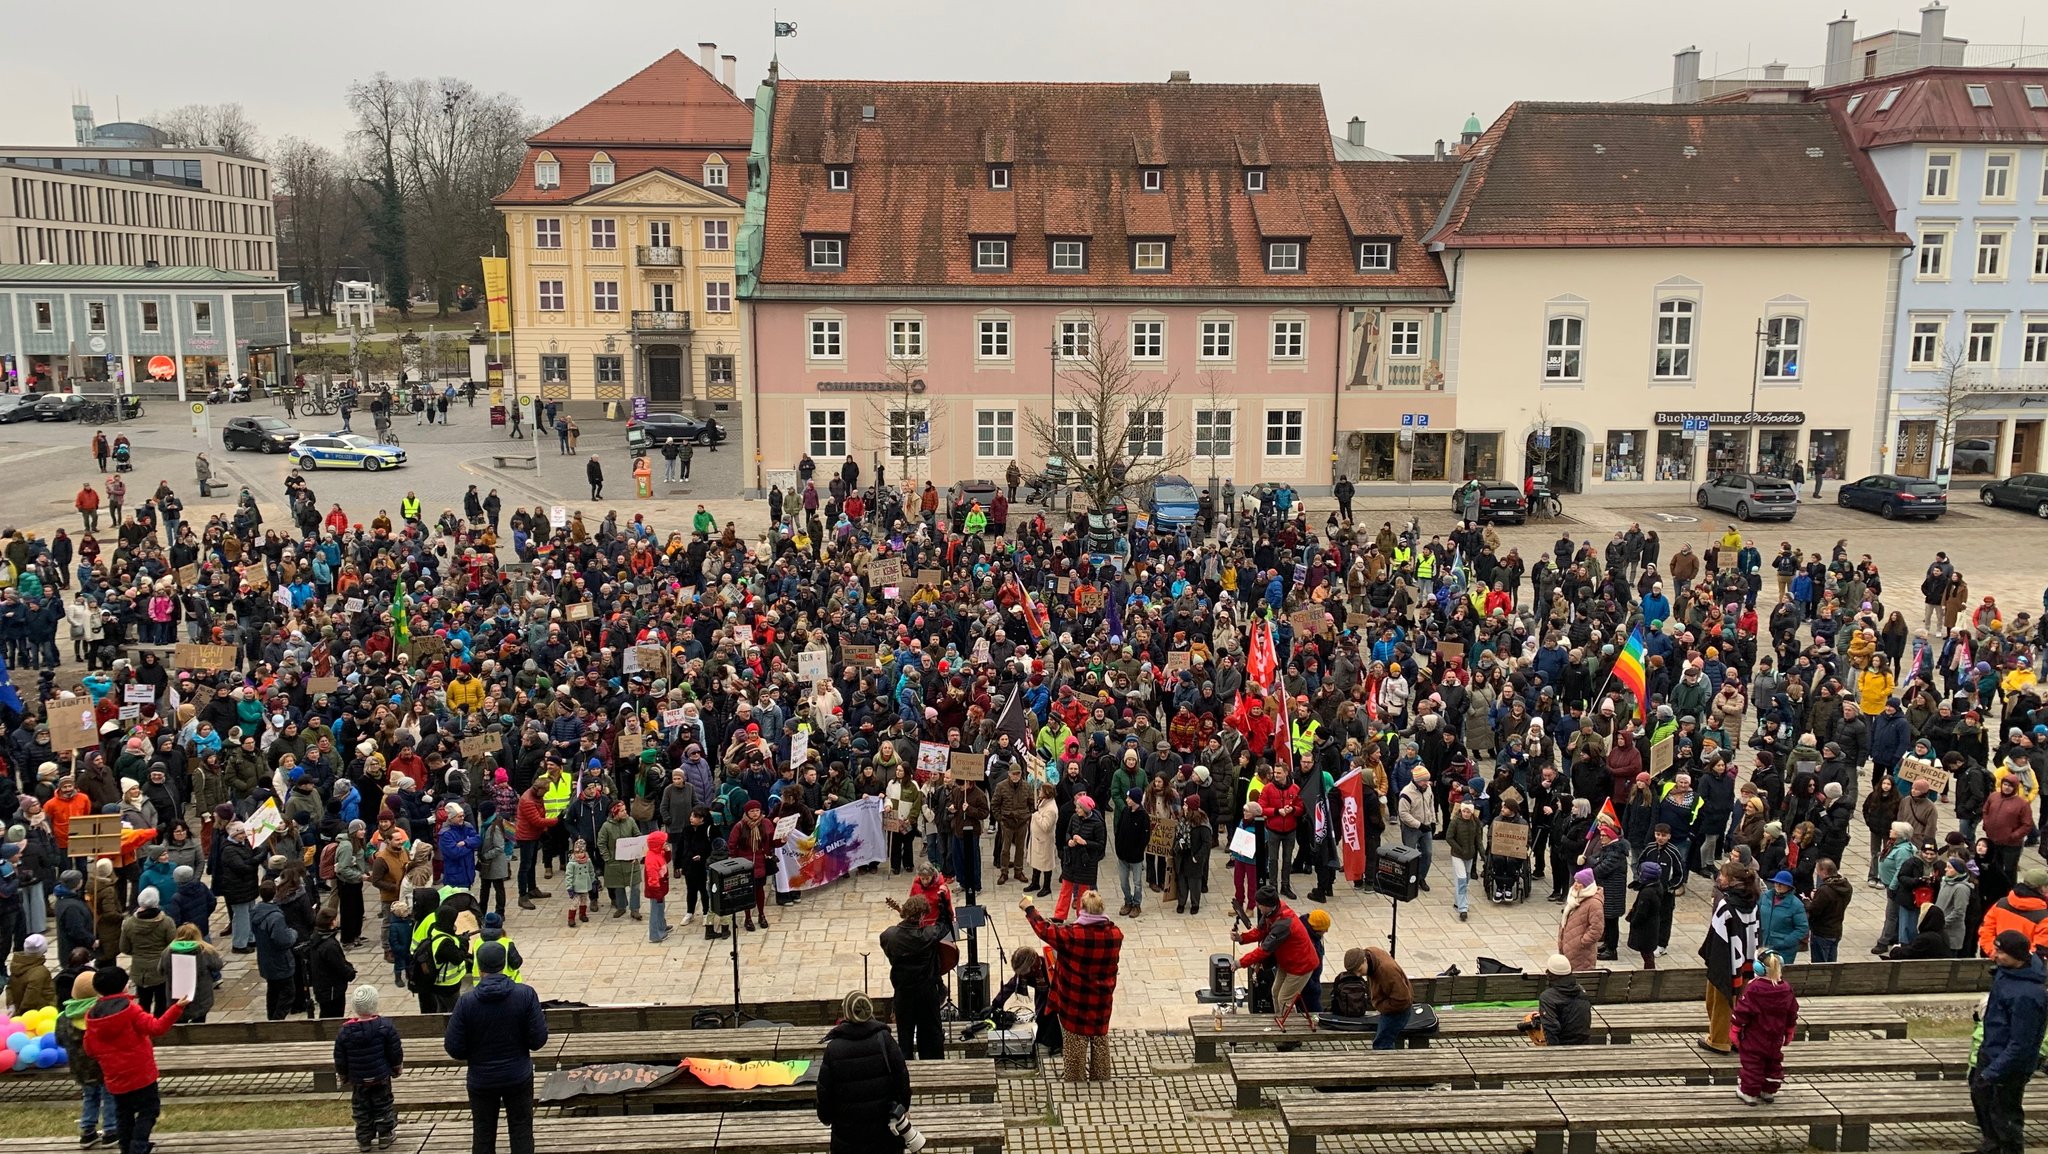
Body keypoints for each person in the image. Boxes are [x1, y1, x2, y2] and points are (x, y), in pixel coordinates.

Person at [444, 941, 549, 1154]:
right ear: (503, 964)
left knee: (483, 1133)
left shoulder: (467, 1002)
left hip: (482, 1078)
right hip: (517, 1075)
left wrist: (475, 1054)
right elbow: (538, 1040)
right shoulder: (525, 995)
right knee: (521, 1130)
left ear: (479, 966)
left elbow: (453, 1047)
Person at [80, 965, 186, 1154]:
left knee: (124, 1114)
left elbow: (89, 1048)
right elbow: (157, 1028)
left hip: (114, 1077)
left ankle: (125, 1147)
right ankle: (138, 1146)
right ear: (124, 987)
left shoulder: (92, 1015)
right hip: (141, 1074)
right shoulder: (130, 1010)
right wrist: (177, 1008)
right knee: (149, 1110)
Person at [1021, 889, 1122, 1082]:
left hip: (1075, 999)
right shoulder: (1115, 935)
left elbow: (1044, 930)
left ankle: (1075, 1084)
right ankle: (1101, 1080)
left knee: (1075, 1042)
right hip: (1101, 998)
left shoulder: (1072, 935)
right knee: (1100, 1041)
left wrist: (1029, 909)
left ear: (1081, 909)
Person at [1973, 929, 2048, 1154]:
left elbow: (2021, 1044)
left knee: (2005, 1116)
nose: (1994, 954)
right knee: (1983, 1102)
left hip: (2009, 1065)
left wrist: (1993, 1072)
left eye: (2000, 951)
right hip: (1990, 1051)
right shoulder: (2007, 972)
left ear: (2017, 956)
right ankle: (1991, 1146)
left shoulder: (2028, 995)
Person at [815, 990, 912, 1154]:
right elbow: (903, 1084)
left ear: (846, 1013)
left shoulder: (833, 1049)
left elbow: (825, 1098)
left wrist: (829, 1119)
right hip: (885, 1138)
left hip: (847, 1140)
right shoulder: (885, 1040)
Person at [1235, 885, 1320, 1030]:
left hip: (1301, 965)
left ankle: (1291, 1032)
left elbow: (1264, 950)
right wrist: (1241, 938)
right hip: (1287, 962)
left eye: (1259, 905)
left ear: (1268, 906)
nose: (1257, 907)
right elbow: (1260, 932)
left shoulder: (1283, 923)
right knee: (1275, 992)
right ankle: (1282, 1023)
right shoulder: (1272, 912)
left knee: (1285, 999)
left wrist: (1240, 963)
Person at [1698, 862, 1761, 1055]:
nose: (1719, 878)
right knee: (1739, 1000)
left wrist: (1710, 958)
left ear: (1732, 881)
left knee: (1719, 1001)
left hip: (1725, 960)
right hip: (1745, 961)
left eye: (1723, 876)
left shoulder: (1726, 905)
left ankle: (1718, 1040)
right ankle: (1735, 1036)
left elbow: (1716, 936)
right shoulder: (1752, 903)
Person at [333, 984, 404, 1153]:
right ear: (375, 1005)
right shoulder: (385, 1026)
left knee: (361, 1108)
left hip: (358, 1079)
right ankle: (385, 1134)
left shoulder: (345, 1031)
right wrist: (396, 1067)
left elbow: (340, 1057)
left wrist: (343, 1074)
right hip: (380, 1075)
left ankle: (364, 1139)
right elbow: (394, 1051)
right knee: (383, 1104)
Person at [878, 893, 948, 1060]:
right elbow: (944, 925)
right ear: (922, 915)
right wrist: (943, 906)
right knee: (931, 1037)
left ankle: (906, 1072)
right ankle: (932, 1072)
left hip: (903, 993)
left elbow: (889, 952)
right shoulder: (927, 935)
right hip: (926, 994)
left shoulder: (888, 936)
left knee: (905, 1037)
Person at [1730, 950, 1798, 1105]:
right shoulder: (1785, 988)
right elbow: (1792, 1011)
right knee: (1773, 1062)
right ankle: (1768, 1090)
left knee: (1752, 1064)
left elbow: (1742, 1011)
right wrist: (1789, 1030)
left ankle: (1749, 1092)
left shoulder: (1754, 989)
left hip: (1755, 1036)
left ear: (1758, 968)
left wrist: (1735, 1028)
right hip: (1776, 1036)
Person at [1525, 954, 1593, 1045]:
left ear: (1549, 974)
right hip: (1583, 1043)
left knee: (1528, 1019)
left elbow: (1550, 1028)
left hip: (1562, 1046)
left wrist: (1554, 1053)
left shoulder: (1547, 997)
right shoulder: (1581, 990)